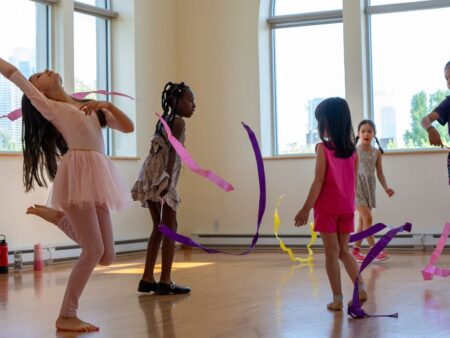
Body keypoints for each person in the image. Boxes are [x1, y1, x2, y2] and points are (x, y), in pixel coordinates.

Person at [0, 57, 134, 332]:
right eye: (38, 75)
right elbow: (13, 73)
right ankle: (67, 315)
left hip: (99, 178)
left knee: (107, 257)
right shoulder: (51, 107)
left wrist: (107, 105)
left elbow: (128, 127)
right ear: (41, 91)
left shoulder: (92, 108)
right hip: (77, 178)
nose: (44, 71)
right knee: (93, 249)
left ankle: (60, 218)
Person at [294, 97, 366, 311]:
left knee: (331, 253)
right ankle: (360, 287)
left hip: (326, 208)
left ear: (327, 122)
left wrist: (306, 207)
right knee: (345, 251)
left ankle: (337, 299)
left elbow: (319, 180)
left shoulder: (322, 149)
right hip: (346, 207)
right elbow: (352, 183)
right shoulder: (354, 151)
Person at [131, 82, 194, 295]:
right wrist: (166, 179)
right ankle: (165, 280)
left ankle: (147, 278)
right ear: (176, 101)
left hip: (149, 173)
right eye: (190, 100)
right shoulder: (178, 122)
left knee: (159, 227)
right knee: (170, 227)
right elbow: (173, 152)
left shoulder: (164, 120)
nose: (194, 105)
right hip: (161, 176)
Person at [351, 120, 394, 263]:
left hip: (370, 187)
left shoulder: (376, 153)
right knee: (368, 218)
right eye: (363, 131)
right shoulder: (354, 150)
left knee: (362, 220)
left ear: (374, 134)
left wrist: (386, 187)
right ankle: (374, 250)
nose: (366, 134)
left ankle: (355, 251)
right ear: (358, 134)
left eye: (369, 131)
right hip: (356, 187)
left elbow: (380, 173)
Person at [421, 60, 450, 184]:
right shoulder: (448, 103)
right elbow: (425, 120)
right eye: (446, 78)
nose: (448, 82)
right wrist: (430, 129)